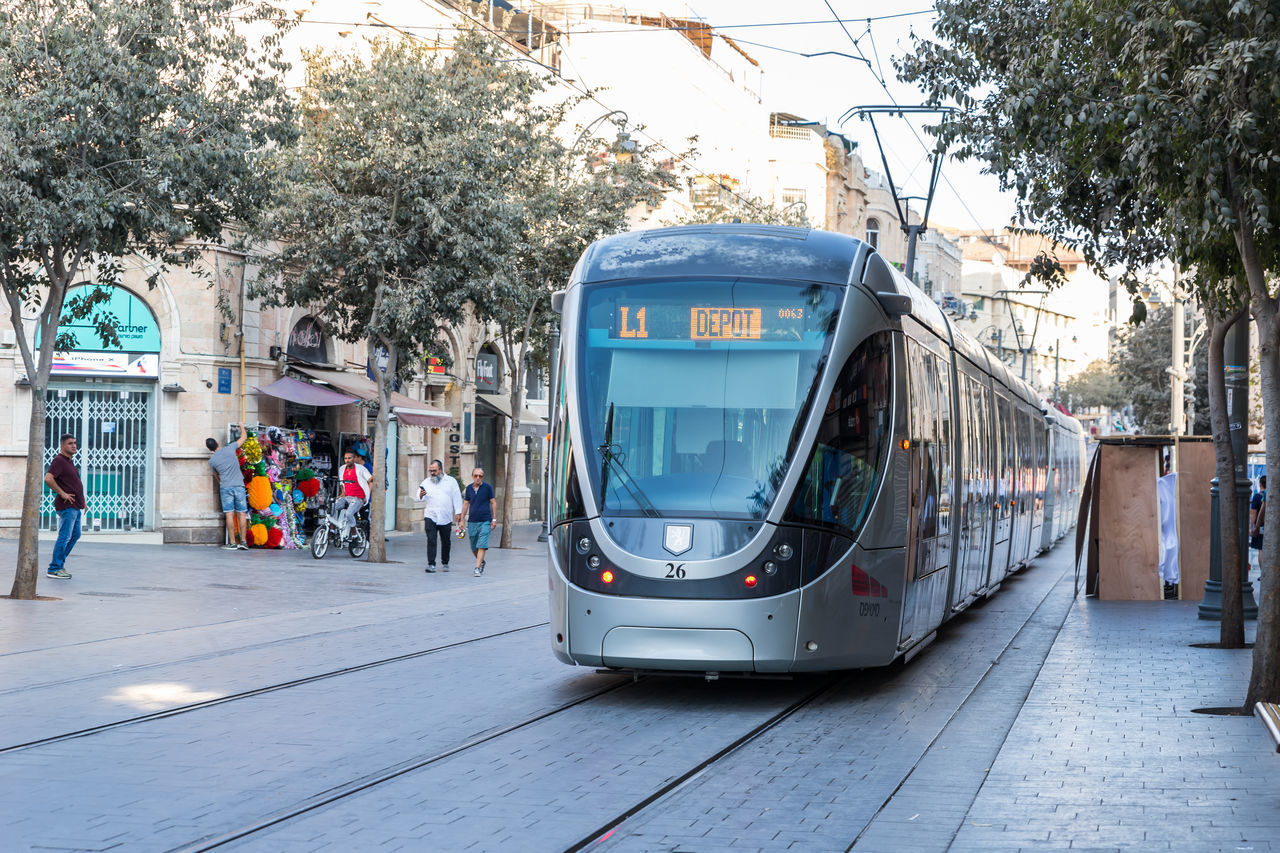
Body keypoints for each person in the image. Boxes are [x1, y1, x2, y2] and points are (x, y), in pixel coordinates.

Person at [45, 433, 86, 579]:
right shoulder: (59, 461)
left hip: (75, 506)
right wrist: (62, 493)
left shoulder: (69, 462)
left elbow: (73, 484)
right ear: (62, 446)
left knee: (75, 535)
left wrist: (83, 502)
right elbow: (48, 478)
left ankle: (59, 564)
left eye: (75, 443)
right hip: (67, 507)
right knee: (64, 536)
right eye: (70, 443)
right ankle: (54, 568)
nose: (74, 445)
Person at [207, 424, 249, 550]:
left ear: (210, 449)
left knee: (229, 514)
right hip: (239, 485)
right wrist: (241, 426)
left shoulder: (212, 461)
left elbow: (216, 475)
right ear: (218, 443)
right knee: (242, 513)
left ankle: (232, 542)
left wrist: (222, 481)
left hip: (225, 487)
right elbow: (244, 437)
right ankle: (243, 541)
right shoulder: (230, 448)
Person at [417, 459, 462, 573]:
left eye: (434, 471)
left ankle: (445, 562)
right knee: (431, 540)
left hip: (445, 516)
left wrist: (458, 512)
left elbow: (457, 497)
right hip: (430, 515)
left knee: (446, 541)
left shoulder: (451, 481)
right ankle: (431, 564)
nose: (432, 473)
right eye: (430, 471)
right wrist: (421, 495)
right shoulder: (426, 482)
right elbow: (418, 496)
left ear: (441, 470)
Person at [459, 467, 496, 576]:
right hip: (472, 521)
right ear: (472, 477)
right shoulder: (469, 489)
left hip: (485, 521)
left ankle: (477, 567)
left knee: (482, 544)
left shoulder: (487, 488)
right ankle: (482, 561)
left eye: (480, 476)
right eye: (476, 476)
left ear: (482, 477)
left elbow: (493, 503)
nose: (478, 478)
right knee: (473, 546)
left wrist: (494, 519)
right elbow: (465, 504)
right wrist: (462, 521)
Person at [334, 450, 373, 543]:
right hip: (346, 497)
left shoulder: (361, 469)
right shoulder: (342, 469)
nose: (347, 460)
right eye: (345, 458)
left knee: (348, 514)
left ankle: (354, 533)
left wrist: (367, 494)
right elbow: (342, 482)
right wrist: (342, 492)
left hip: (358, 498)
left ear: (354, 459)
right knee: (333, 507)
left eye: (349, 458)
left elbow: (370, 480)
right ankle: (331, 530)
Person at [1250, 475, 1266, 574]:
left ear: (1259, 484)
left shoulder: (1257, 497)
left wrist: (1252, 527)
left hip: (1261, 526)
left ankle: (1263, 573)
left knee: (1261, 549)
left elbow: (1253, 513)